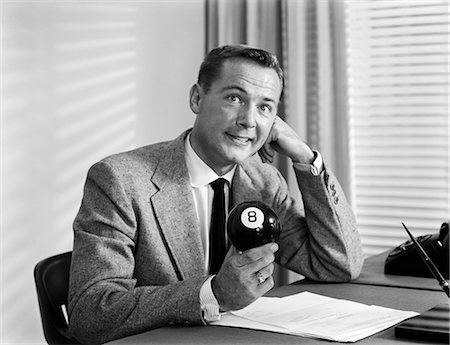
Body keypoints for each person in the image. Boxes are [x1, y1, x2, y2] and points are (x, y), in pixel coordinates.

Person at [68, 45, 363, 344]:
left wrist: (305, 158)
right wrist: (214, 294)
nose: (248, 120)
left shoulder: (264, 181)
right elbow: (90, 313)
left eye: (265, 107)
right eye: (234, 98)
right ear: (197, 98)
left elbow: (339, 264)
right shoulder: (120, 180)